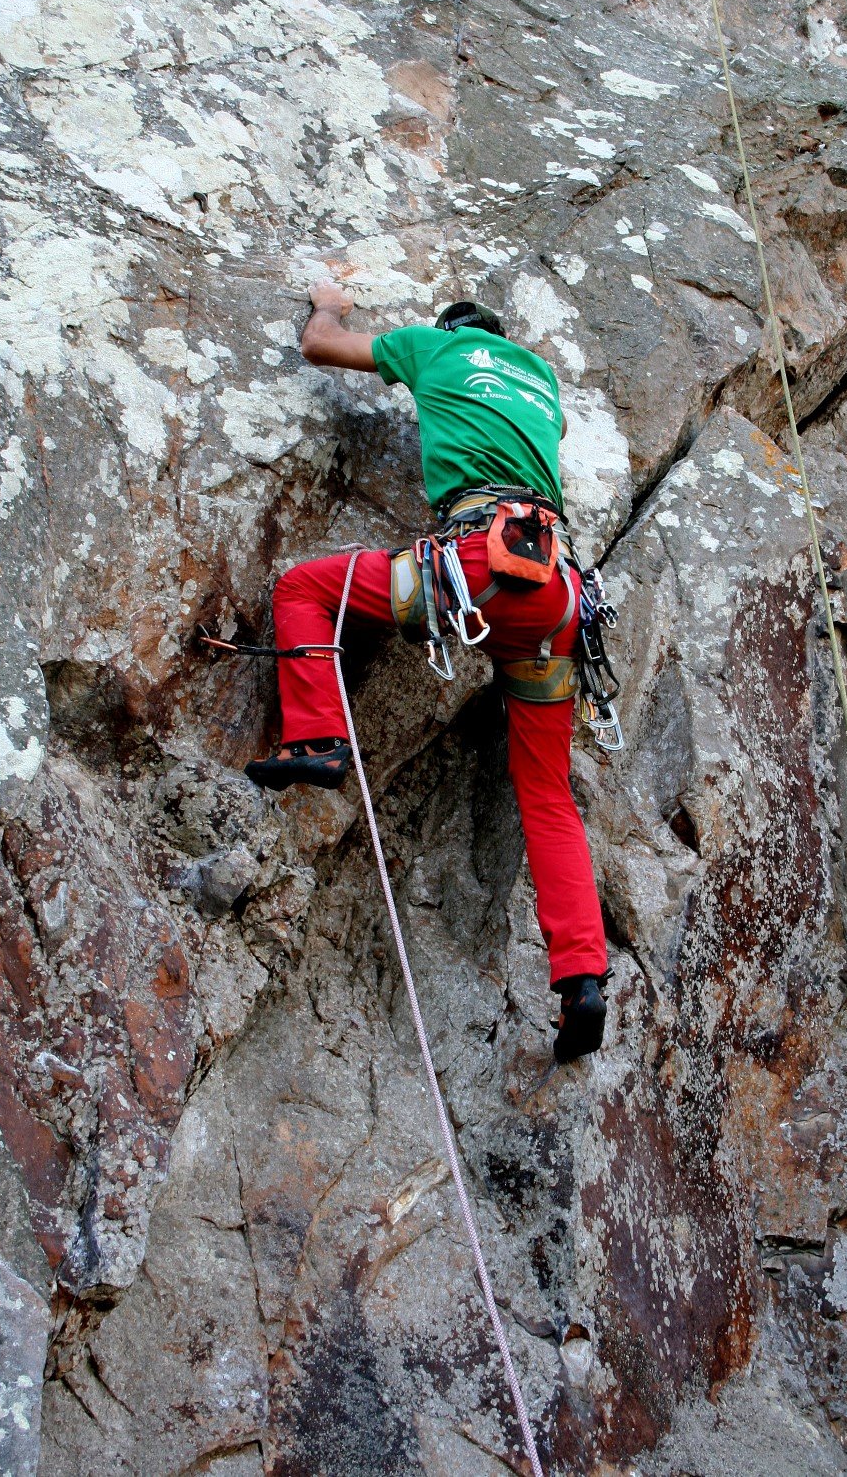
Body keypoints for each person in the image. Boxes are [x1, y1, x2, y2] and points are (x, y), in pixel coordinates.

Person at [243, 282, 608, 1064]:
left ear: (449, 332)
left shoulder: (432, 347)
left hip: (471, 568)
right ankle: (583, 978)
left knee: (303, 588)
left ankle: (318, 741)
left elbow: (321, 347)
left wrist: (329, 302)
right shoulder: (540, 381)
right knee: (546, 791)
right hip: (557, 600)